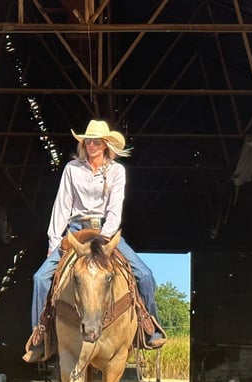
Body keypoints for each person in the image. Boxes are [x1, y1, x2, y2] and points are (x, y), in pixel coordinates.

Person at [23, 119, 166, 363]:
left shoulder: (116, 171)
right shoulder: (72, 169)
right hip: (76, 230)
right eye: (88, 140)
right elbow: (62, 205)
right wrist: (53, 241)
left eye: (96, 141)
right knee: (40, 278)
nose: (92, 145)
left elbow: (114, 208)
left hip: (105, 231)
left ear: (106, 144)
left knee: (145, 274)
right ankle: (40, 337)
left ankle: (148, 326)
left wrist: (106, 236)